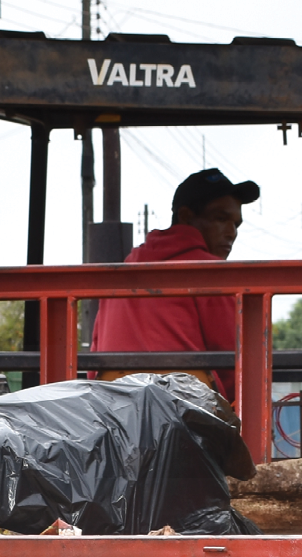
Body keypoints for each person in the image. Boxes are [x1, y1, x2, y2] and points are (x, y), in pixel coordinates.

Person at [88, 168, 260, 394]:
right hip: (190, 417)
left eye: (236, 224)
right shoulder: (214, 274)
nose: (231, 232)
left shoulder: (121, 273)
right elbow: (237, 370)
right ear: (186, 216)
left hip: (118, 412)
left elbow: (94, 369)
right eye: (221, 219)